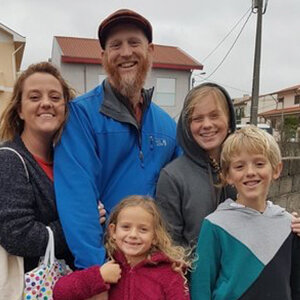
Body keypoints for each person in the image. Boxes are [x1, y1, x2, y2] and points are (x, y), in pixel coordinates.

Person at [54, 9, 180, 269]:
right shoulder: (81, 116)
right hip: (106, 264)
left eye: (134, 42)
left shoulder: (167, 125)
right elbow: (78, 201)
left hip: (153, 267)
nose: (125, 52)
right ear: (104, 57)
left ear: (150, 50)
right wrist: (95, 273)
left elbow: (182, 190)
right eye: (115, 45)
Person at [190, 126, 300, 299]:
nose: (250, 172)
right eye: (239, 166)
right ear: (227, 175)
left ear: (276, 169)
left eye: (259, 164)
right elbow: (201, 285)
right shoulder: (215, 225)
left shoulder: (289, 225)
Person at [0, 62, 75, 272]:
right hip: (32, 289)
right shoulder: (9, 160)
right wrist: (79, 220)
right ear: (20, 110)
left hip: (68, 285)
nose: (46, 103)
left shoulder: (67, 161)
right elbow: (18, 235)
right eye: (34, 97)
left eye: (55, 97)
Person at [53, 195, 191, 300]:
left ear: (155, 236)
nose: (133, 235)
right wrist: (99, 276)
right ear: (113, 231)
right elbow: (59, 292)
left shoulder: (169, 273)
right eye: (126, 227)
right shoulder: (106, 263)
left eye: (143, 229)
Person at [156, 83, 236, 248]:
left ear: (229, 121)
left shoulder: (242, 168)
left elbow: (259, 214)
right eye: (197, 119)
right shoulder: (173, 177)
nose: (206, 124)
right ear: (187, 126)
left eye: (214, 116)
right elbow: (171, 244)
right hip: (195, 271)